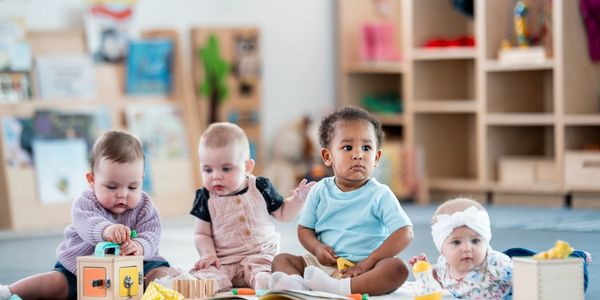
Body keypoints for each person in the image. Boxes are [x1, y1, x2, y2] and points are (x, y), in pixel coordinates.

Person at [0, 130, 170, 300]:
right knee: (54, 282)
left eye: (132, 187)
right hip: (83, 268)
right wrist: (107, 230)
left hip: (138, 267)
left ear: (141, 179)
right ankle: (9, 292)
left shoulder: (145, 206)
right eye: (111, 187)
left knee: (160, 273)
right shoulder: (86, 201)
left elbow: (152, 234)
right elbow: (87, 223)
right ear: (92, 180)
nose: (122, 194)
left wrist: (140, 246)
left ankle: (171, 289)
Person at [270, 106, 414, 296]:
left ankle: (338, 288)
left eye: (366, 148)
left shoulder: (380, 194)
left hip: (365, 269)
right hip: (321, 267)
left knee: (397, 269)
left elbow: (405, 232)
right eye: (347, 147)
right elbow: (304, 229)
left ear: (377, 157)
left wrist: (369, 262)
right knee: (281, 260)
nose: (358, 155)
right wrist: (317, 247)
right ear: (327, 157)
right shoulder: (319, 190)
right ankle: (298, 286)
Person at [189, 122, 315, 292]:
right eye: (208, 170)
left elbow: (284, 214)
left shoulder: (260, 187)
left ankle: (268, 283)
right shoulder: (205, 197)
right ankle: (210, 283)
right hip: (223, 261)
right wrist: (208, 254)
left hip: (260, 255)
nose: (216, 176)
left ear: (247, 167)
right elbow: (201, 233)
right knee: (207, 274)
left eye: (226, 169)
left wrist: (298, 200)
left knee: (264, 272)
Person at [409, 198, 512, 299]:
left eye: (475, 241)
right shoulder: (443, 266)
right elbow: (436, 281)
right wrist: (426, 271)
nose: (467, 248)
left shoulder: (496, 263)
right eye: (456, 242)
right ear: (442, 250)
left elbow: (524, 279)